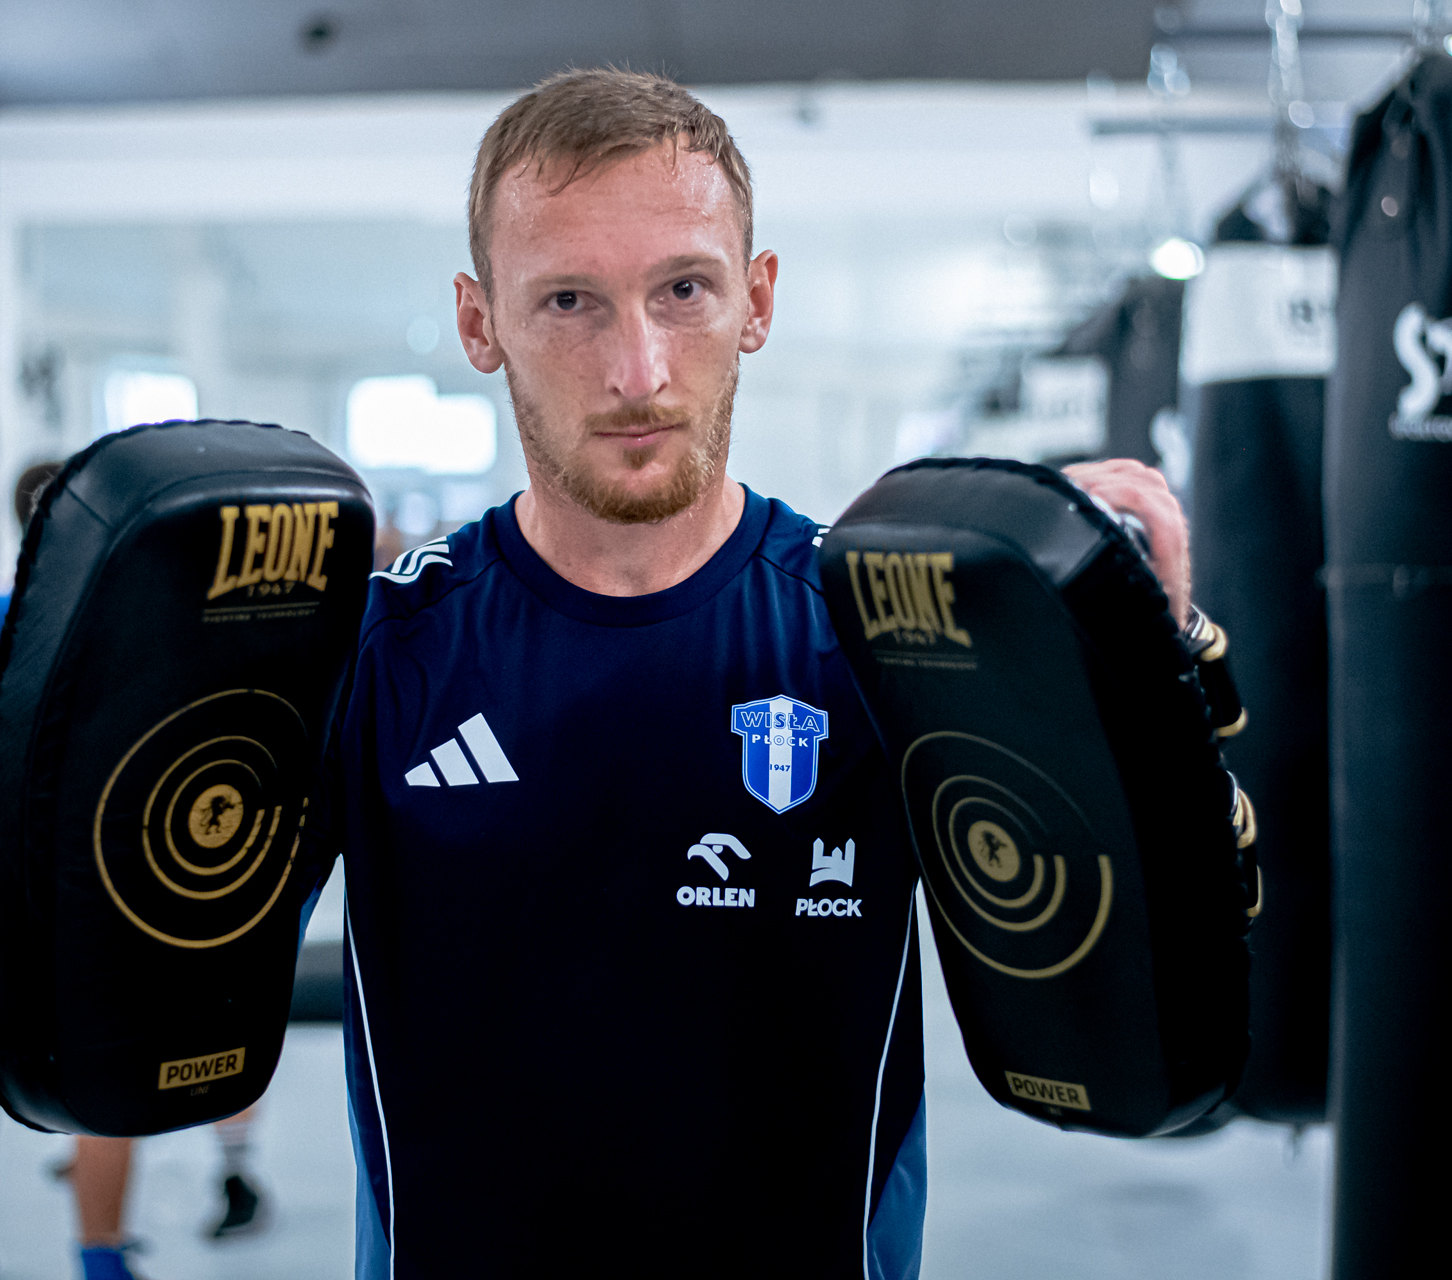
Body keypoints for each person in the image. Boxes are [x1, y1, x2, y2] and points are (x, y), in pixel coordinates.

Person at [315, 70, 1190, 1278]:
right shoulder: (375, 651)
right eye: (568, 300)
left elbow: (1120, 1009)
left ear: (757, 298)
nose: (637, 370)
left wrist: (1111, 666)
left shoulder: (885, 634)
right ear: (480, 323)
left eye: (683, 289)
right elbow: (139, 1002)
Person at [0, 463, 271, 1280]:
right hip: (75, 884)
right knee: (99, 1071)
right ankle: (97, 1259)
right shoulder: (96, 622)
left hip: (11, 881)